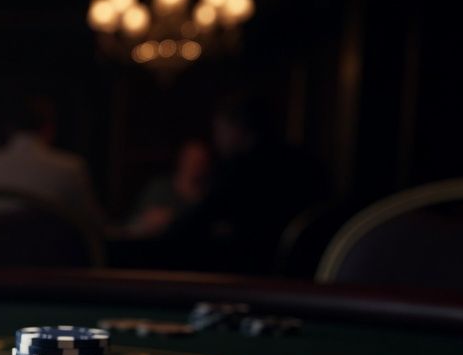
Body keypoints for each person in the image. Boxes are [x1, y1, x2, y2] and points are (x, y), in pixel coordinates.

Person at [157, 96, 325, 274]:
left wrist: (167, 228)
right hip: (308, 271)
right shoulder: (306, 162)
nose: (217, 140)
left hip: (259, 274)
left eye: (219, 130)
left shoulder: (242, 169)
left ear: (236, 129)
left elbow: (202, 217)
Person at [0, 96, 104, 233]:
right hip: (48, 257)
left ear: (9, 128)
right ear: (50, 126)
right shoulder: (70, 168)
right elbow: (93, 226)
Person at [128, 140, 211, 236]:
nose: (195, 166)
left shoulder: (208, 196)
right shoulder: (160, 189)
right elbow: (134, 225)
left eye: (200, 161)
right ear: (181, 159)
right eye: (191, 159)